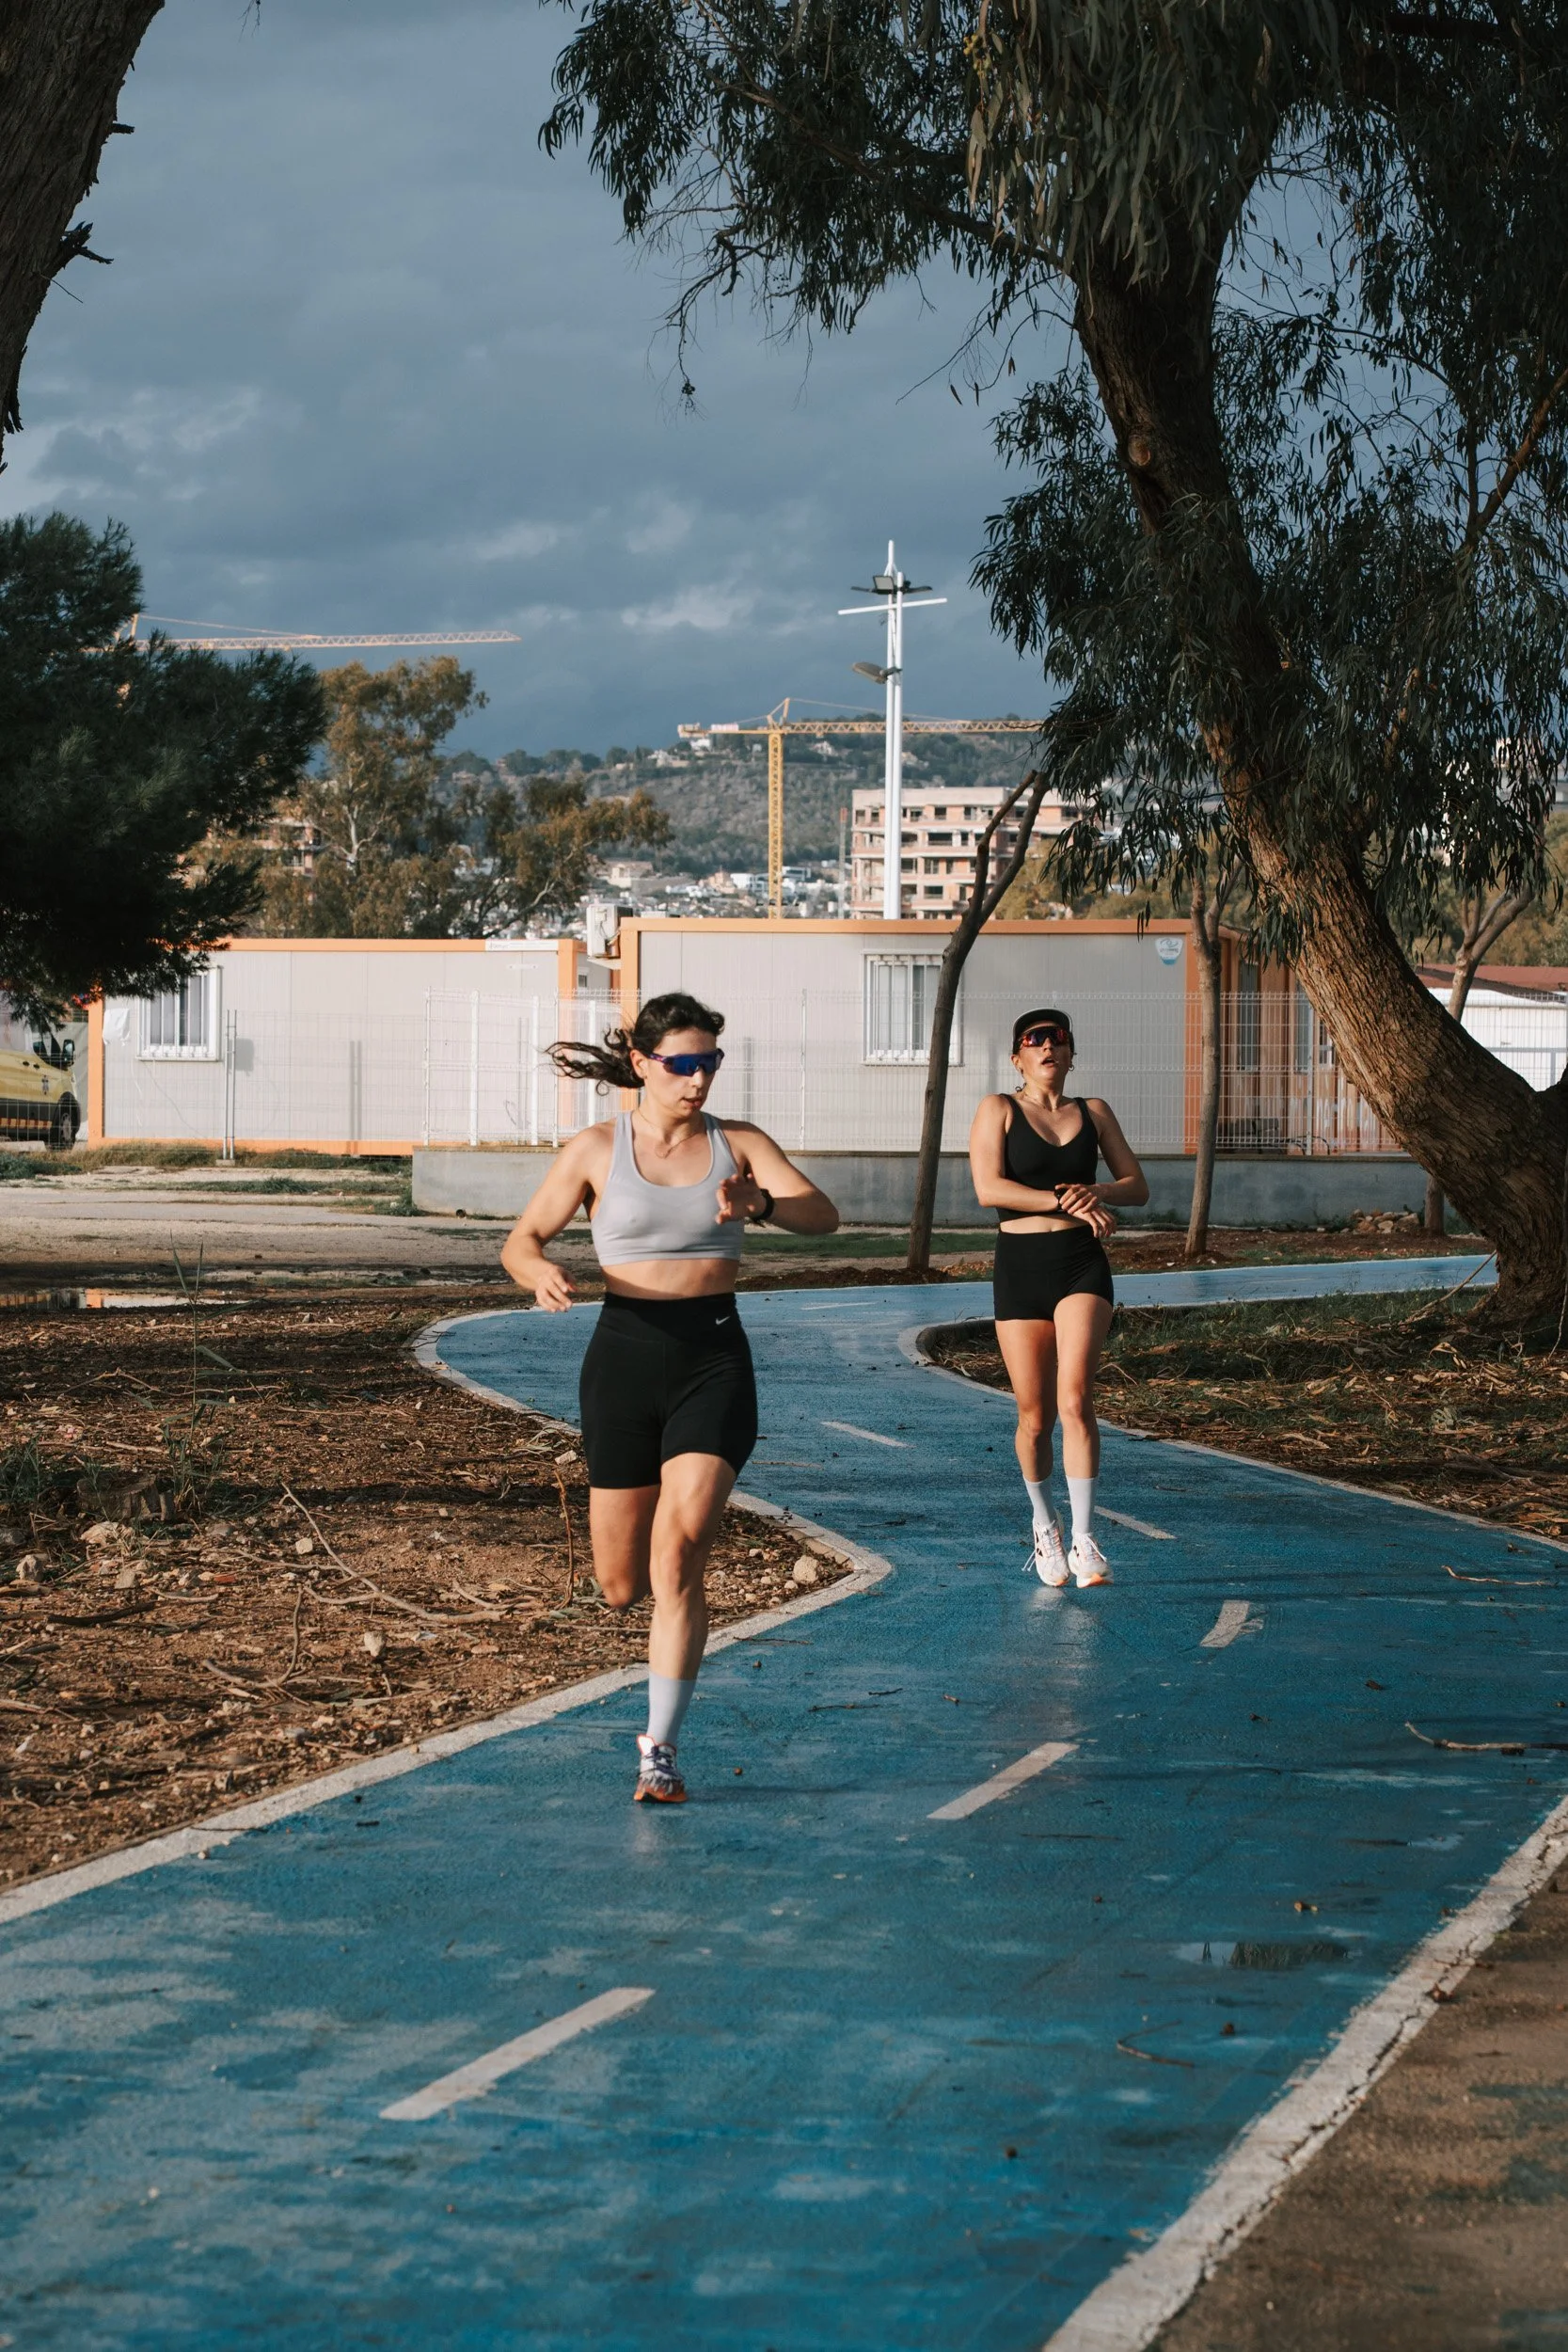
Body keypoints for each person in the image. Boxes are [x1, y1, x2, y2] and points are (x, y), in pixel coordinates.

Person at [500, 990, 839, 1804]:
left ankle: (660, 1746)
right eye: (682, 1065)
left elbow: (822, 1216)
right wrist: (538, 1269)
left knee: (681, 1553)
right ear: (644, 1064)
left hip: (711, 1358)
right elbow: (520, 1239)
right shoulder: (593, 1149)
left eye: (709, 1064)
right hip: (620, 1359)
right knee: (620, 1585)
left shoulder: (740, 1143)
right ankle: (653, 1653)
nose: (697, 1081)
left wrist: (760, 1203)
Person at [968, 1009, 1149, 1589]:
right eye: (1034, 1040)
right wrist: (1063, 1200)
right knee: (1034, 1416)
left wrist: (1093, 1189)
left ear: (1072, 1054)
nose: (1048, 1047)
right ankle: (1044, 1525)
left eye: (1059, 1039)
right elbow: (988, 1188)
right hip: (1019, 1268)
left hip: (1080, 1265)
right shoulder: (997, 1109)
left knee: (1075, 1400)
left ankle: (1085, 1537)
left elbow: (1136, 1187)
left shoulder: (1094, 1113)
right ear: (1017, 1057)